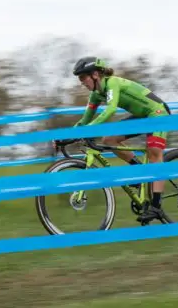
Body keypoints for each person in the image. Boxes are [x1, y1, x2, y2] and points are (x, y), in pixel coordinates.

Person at [56, 56, 171, 224]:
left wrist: (89, 130)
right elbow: (84, 121)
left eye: (83, 78)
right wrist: (66, 137)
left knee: (154, 153)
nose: (82, 83)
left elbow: (110, 110)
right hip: (141, 115)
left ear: (95, 74)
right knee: (109, 139)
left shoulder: (112, 83)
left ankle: (156, 206)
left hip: (157, 112)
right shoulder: (96, 95)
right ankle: (139, 172)